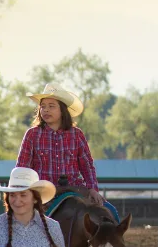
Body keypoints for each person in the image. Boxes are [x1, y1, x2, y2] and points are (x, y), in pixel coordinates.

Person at [16, 82, 121, 223]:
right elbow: (22, 168)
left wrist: (92, 189)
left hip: (74, 189)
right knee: (26, 222)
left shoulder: (76, 135)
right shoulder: (32, 135)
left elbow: (87, 165)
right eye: (43, 106)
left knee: (110, 211)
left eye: (51, 106)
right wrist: (23, 193)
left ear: (62, 110)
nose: (46, 110)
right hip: (43, 192)